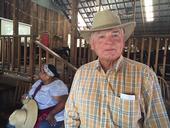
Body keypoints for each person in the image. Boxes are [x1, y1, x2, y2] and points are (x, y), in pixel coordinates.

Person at [64, 10, 170, 127]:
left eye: (115, 35)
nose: (109, 42)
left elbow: (158, 123)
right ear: (93, 44)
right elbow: (71, 115)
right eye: (101, 36)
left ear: (123, 41)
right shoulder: (81, 73)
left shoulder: (144, 75)